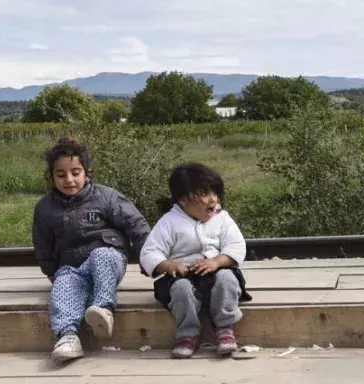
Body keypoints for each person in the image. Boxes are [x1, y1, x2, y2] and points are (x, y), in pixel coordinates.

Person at [33, 137, 151, 362]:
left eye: (75, 172)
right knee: (63, 285)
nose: (69, 180)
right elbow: (42, 243)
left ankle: (103, 310)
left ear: (87, 173)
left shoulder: (107, 197)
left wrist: (149, 258)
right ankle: (67, 337)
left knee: (101, 255)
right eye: (61, 175)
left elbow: (137, 226)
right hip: (71, 266)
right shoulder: (44, 208)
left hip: (108, 258)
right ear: (52, 177)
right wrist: (50, 270)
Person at [139, 162, 252, 359]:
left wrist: (217, 262)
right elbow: (149, 252)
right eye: (205, 194)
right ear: (184, 200)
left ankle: (225, 328)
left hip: (217, 273)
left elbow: (236, 246)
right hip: (184, 277)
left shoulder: (222, 218)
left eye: (215, 193)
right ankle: (187, 334)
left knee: (227, 279)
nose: (213, 199)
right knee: (180, 289)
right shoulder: (169, 222)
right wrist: (169, 265)